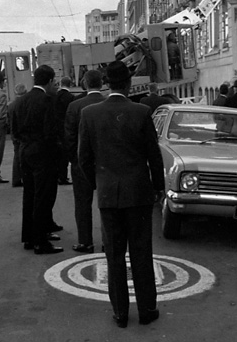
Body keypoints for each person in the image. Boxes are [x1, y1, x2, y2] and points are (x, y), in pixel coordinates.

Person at [78, 61, 165, 328]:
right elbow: (153, 155)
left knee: (114, 255)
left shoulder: (89, 113)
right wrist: (158, 187)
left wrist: (98, 183)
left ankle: (120, 313)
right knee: (141, 253)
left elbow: (83, 157)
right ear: (128, 84)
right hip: (138, 193)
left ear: (107, 84)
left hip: (108, 194)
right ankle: (147, 309)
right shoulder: (141, 112)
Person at [11, 65, 63, 255]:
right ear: (49, 81)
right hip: (43, 152)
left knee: (29, 194)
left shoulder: (20, 101)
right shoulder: (47, 101)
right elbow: (51, 131)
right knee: (43, 196)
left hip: (25, 150)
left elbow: (14, 129)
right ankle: (41, 241)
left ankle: (29, 237)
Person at [64, 69, 106, 254]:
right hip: (106, 163)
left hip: (81, 162)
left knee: (82, 203)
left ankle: (85, 241)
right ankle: (108, 241)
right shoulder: (108, 103)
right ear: (102, 83)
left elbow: (70, 137)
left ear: (85, 83)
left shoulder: (75, 106)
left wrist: (74, 160)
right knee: (107, 204)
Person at [54, 76, 75, 186]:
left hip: (55, 128)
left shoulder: (55, 96)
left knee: (57, 154)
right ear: (70, 84)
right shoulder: (70, 97)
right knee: (65, 155)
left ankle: (58, 175)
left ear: (60, 83)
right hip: (65, 128)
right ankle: (63, 176)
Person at [6, 83, 27, 187]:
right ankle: (24, 177)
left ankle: (16, 178)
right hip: (24, 133)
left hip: (14, 133)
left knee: (17, 155)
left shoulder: (11, 105)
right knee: (24, 156)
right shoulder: (25, 104)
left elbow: (8, 120)